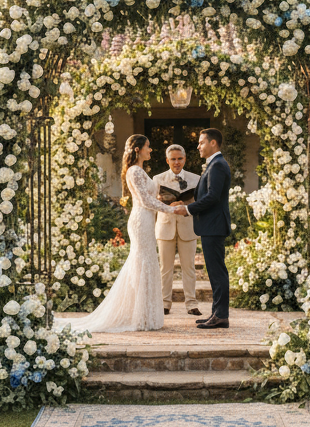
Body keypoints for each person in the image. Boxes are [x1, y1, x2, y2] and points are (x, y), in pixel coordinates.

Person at [60, 135, 173, 333]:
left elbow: (148, 197)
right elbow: (145, 201)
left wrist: (163, 199)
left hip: (147, 220)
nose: (151, 150)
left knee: (146, 262)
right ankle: (141, 316)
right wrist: (171, 209)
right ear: (137, 149)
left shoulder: (140, 170)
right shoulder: (135, 170)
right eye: (148, 146)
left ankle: (145, 314)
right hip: (141, 220)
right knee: (142, 263)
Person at [173, 129, 232, 329]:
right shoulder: (214, 164)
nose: (198, 146)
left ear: (213, 143)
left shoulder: (217, 165)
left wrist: (188, 209)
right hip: (211, 225)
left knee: (217, 272)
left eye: (201, 142)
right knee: (215, 271)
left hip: (214, 225)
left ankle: (221, 315)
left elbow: (213, 196)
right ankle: (216, 313)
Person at [154, 145, 202, 316]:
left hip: (188, 227)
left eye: (179, 158)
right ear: (167, 161)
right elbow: (152, 205)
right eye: (173, 159)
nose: (176, 162)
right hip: (165, 227)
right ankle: (164, 303)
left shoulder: (196, 179)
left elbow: (201, 203)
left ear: (185, 159)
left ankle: (191, 304)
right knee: (165, 268)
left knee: (188, 267)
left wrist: (186, 205)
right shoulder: (157, 179)